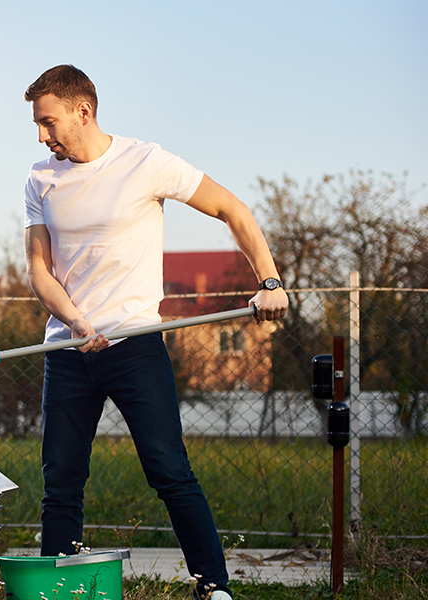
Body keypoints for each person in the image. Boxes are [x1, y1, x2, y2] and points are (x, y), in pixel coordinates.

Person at [22, 64, 288, 600]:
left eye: (49, 123)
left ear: (83, 111)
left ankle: (213, 585)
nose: (43, 136)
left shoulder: (145, 162)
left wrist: (270, 280)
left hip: (135, 347)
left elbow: (233, 210)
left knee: (169, 472)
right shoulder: (40, 179)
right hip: (69, 350)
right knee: (61, 485)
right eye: (38, 126)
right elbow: (39, 271)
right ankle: (55, 590)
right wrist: (76, 322)